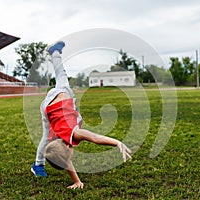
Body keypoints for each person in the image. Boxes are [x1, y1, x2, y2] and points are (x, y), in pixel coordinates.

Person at [31, 41, 132, 189]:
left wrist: (117, 142)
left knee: (62, 75)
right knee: (48, 138)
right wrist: (77, 182)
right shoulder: (58, 145)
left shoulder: (75, 134)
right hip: (49, 109)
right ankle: (54, 52)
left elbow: (95, 138)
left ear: (67, 148)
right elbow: (64, 157)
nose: (69, 162)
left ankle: (38, 165)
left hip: (60, 96)